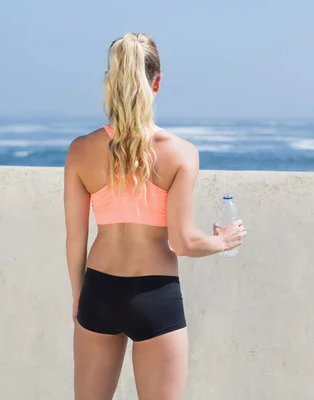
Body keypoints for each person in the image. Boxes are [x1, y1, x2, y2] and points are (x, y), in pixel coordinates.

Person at [63, 32, 247, 400]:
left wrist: (79, 296)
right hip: (155, 296)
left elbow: (75, 239)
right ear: (157, 81)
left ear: (110, 82)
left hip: (99, 289)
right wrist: (222, 240)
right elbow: (183, 242)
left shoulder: (80, 151)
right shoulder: (180, 153)